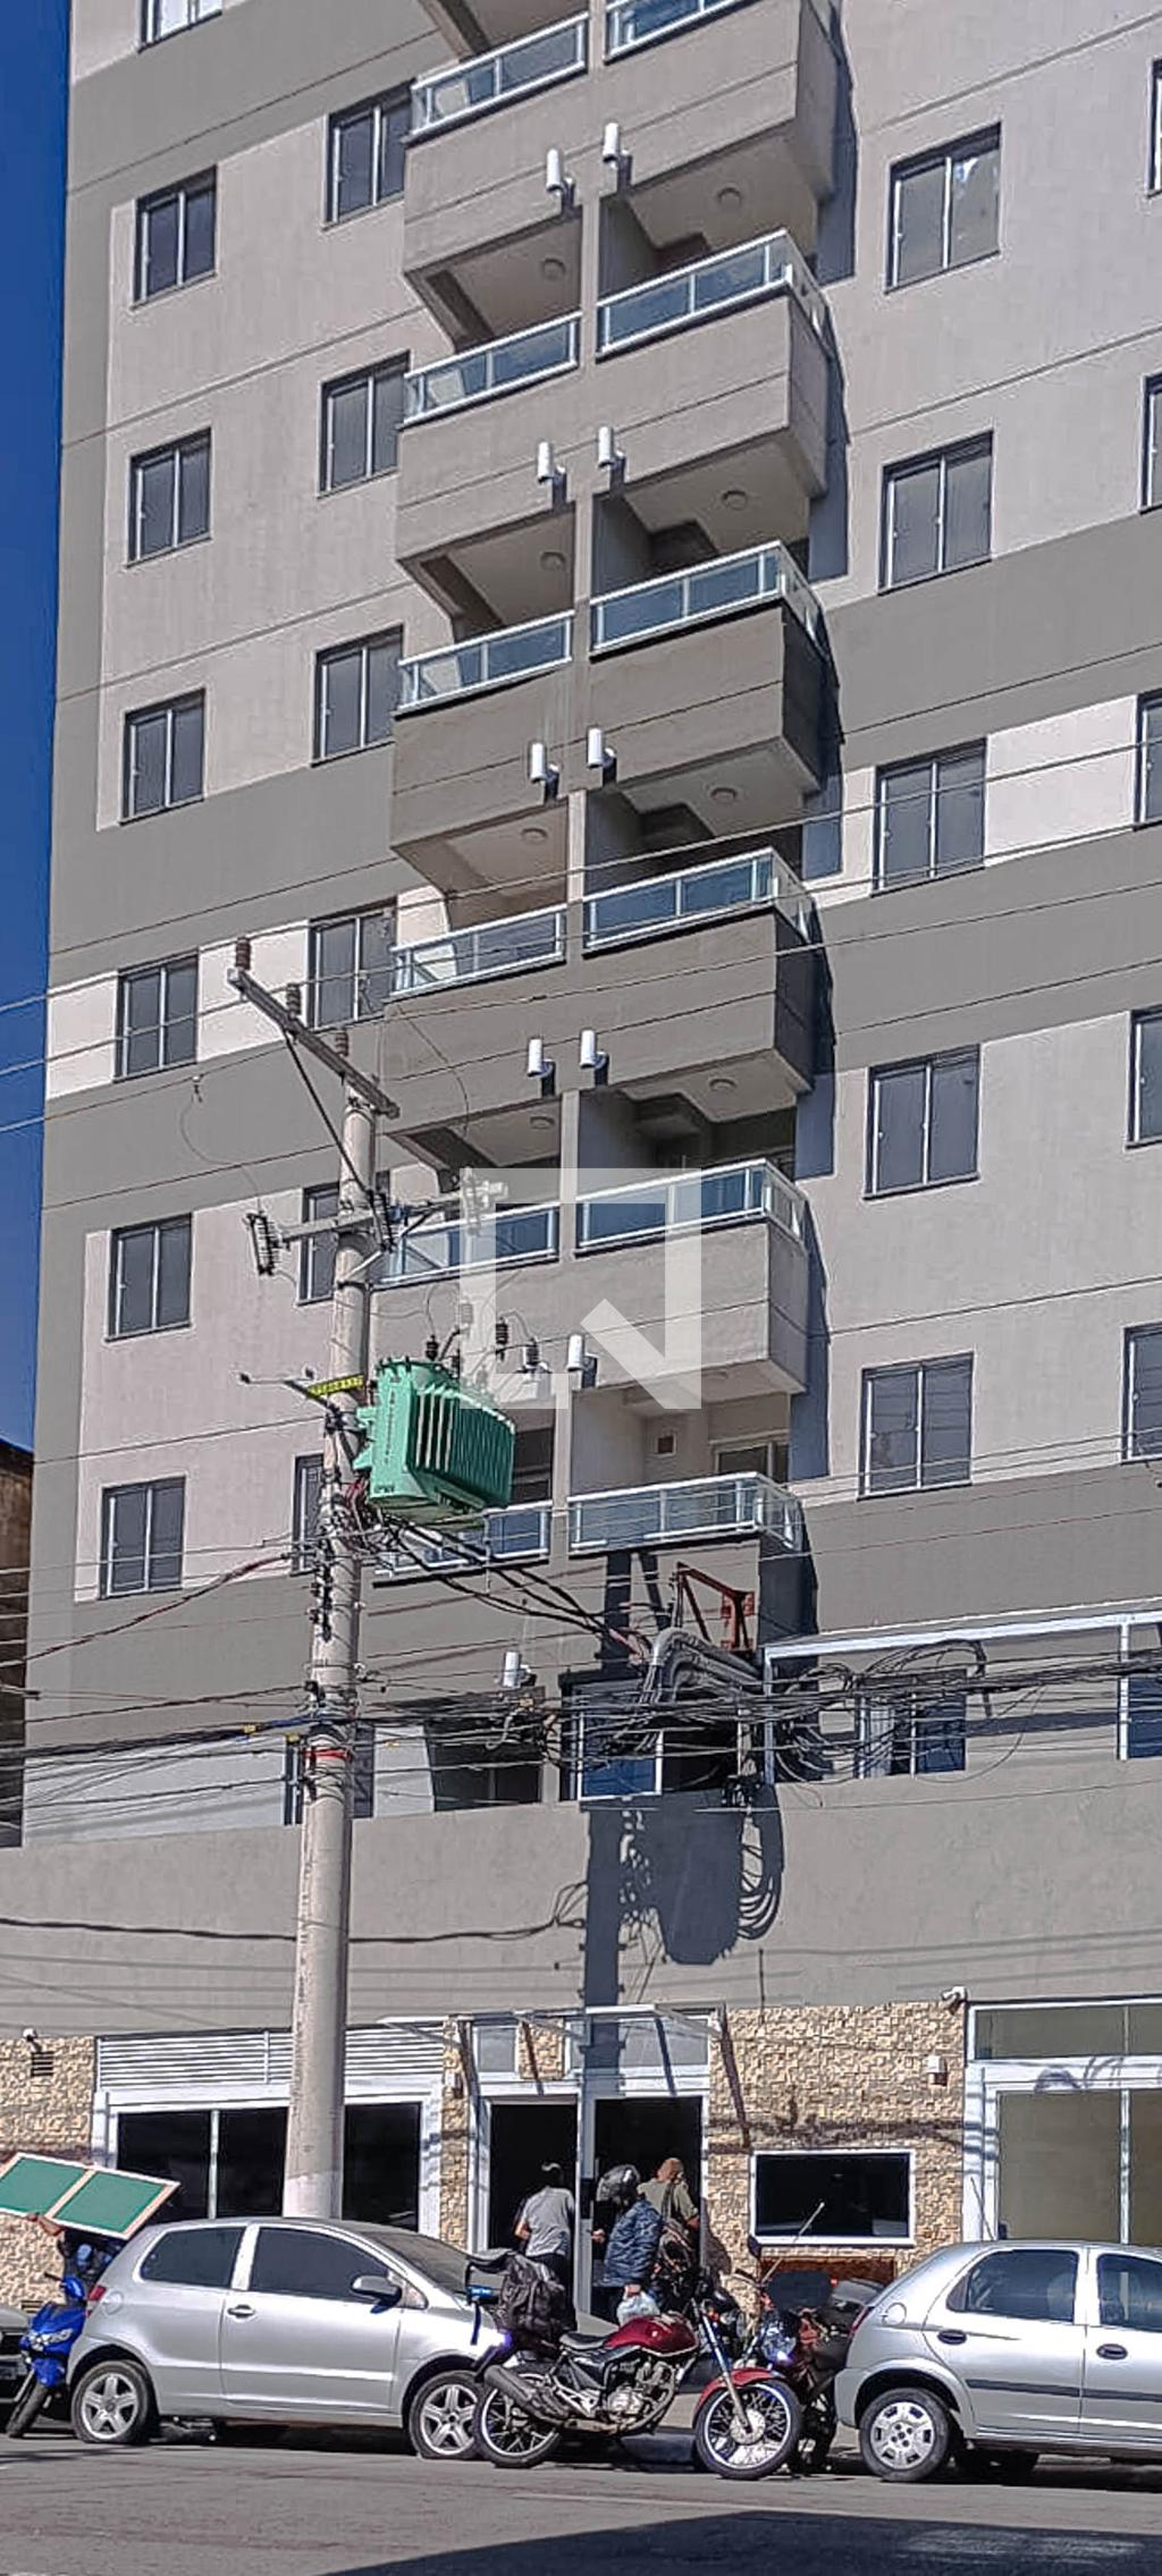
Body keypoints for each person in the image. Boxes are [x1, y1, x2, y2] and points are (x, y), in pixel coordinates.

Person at [513, 2160, 575, 2293]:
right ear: (559, 2177)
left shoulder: (532, 2201)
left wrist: (537, 2236)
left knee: (536, 2293)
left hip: (533, 2255)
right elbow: (578, 2219)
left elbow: (519, 2231)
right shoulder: (566, 2196)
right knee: (557, 2292)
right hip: (555, 2253)